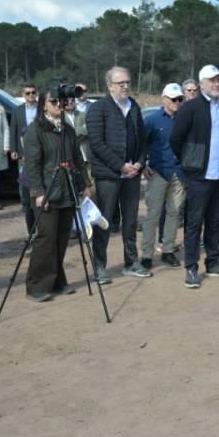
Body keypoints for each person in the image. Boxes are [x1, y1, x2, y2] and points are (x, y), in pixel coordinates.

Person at [169, 64, 219, 288]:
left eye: (218, 79)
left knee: (216, 221)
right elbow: (176, 140)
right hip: (198, 176)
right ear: (201, 85)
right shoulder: (190, 108)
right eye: (211, 80)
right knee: (194, 223)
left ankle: (214, 262)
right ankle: (191, 267)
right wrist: (190, 164)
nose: (216, 84)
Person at [22, 87, 92, 301]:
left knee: (61, 239)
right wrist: (39, 193)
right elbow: (32, 166)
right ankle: (36, 286)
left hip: (67, 188)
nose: (59, 105)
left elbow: (77, 159)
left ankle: (56, 281)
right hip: (47, 192)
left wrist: (85, 183)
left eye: (62, 101)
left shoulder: (67, 129)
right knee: (46, 239)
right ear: (43, 104)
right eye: (54, 101)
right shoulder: (35, 130)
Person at [87, 66, 149, 283]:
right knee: (104, 221)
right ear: (109, 86)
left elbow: (142, 139)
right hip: (108, 176)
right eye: (121, 83)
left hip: (132, 175)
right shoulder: (98, 108)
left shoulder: (134, 107)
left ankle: (131, 262)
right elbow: (96, 143)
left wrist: (140, 163)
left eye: (128, 82)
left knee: (130, 221)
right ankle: (99, 267)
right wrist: (120, 165)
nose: (125, 86)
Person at [141, 84, 186, 269]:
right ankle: (146, 255)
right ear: (164, 99)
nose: (177, 102)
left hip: (180, 174)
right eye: (173, 99)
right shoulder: (152, 121)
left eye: (179, 99)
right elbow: (141, 143)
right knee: (153, 214)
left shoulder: (184, 119)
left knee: (174, 214)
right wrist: (142, 164)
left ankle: (168, 251)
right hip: (159, 172)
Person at [11, 83, 40, 233]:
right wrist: (14, 149)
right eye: (27, 93)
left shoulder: (42, 108)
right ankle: (25, 203)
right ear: (23, 95)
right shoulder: (17, 110)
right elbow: (13, 130)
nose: (30, 95)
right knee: (24, 183)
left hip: (40, 152)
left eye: (33, 92)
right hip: (23, 154)